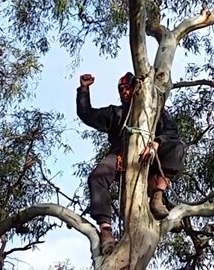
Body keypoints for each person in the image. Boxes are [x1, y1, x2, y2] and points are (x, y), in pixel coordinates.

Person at [76, 72, 185, 255]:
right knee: (97, 176)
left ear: (137, 88)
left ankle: (158, 197)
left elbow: (172, 132)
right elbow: (87, 114)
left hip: (149, 158)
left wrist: (157, 143)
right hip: (121, 156)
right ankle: (106, 230)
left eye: (128, 88)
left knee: (177, 147)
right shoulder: (115, 113)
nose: (124, 92)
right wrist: (84, 90)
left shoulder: (155, 113)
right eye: (121, 89)